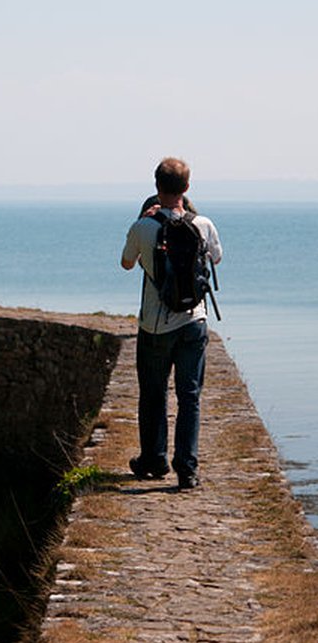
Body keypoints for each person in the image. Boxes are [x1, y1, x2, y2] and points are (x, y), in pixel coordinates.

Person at [120, 157, 222, 489]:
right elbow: (216, 257)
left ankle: (154, 459)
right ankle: (187, 470)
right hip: (195, 320)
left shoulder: (144, 227)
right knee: (189, 395)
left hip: (155, 324)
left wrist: (145, 222)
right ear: (187, 188)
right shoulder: (203, 224)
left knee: (153, 393)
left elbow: (126, 264)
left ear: (156, 186)